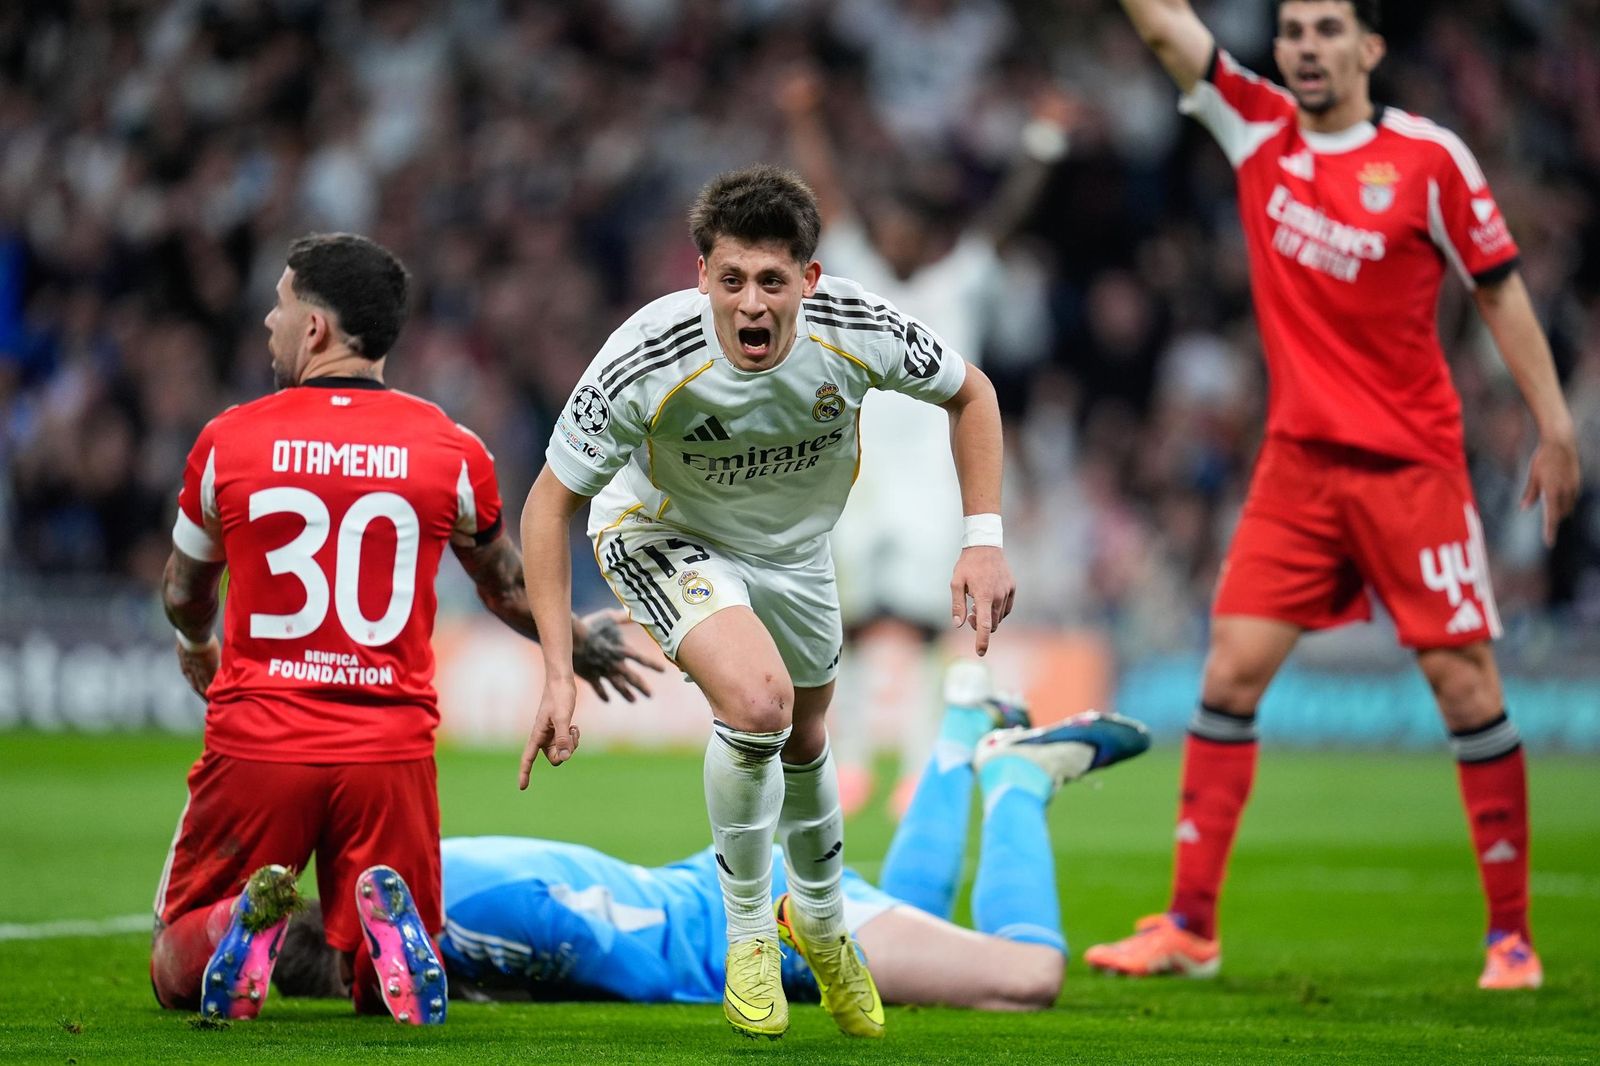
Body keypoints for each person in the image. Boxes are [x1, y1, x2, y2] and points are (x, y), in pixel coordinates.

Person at [1083, 0, 1580, 991]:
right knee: (1226, 675)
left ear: (1369, 48)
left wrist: (1554, 424)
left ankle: (1510, 938)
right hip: (1297, 470)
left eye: (1326, 30)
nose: (1305, 47)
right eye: (1293, 30)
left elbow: (1497, 285)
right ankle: (1189, 925)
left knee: (1467, 690)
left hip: (1411, 469)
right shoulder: (1253, 121)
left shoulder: (1429, 158)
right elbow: (1161, 27)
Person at [517, 165, 1016, 1039]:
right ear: (700, 274)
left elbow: (971, 393)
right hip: (661, 532)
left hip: (795, 551)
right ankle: (749, 930)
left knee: (810, 735)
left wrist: (983, 537)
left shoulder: (858, 325)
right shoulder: (647, 355)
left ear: (809, 282)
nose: (752, 303)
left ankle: (819, 922)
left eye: (773, 282)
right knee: (758, 704)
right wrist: (556, 669)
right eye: (732, 279)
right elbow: (548, 503)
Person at [153, 232, 656, 1024]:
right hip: (388, 751)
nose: (268, 323)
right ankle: (387, 945)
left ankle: (235, 922)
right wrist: (573, 642)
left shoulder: (229, 439)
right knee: (378, 975)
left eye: (281, 306)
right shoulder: (451, 449)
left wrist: (197, 645)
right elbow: (503, 586)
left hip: (261, 740)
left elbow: (184, 589)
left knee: (173, 963)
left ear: (315, 329)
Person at [271, 683, 1151, 1011]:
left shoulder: (469, 914)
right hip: (723, 902)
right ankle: (963, 739)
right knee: (918, 925)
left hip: (757, 929)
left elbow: (610, 939)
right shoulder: (431, 873)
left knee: (1024, 981)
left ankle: (1016, 786)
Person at [778, 68, 1075, 815]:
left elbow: (1011, 215)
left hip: (937, 487)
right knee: (836, 628)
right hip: (858, 482)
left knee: (927, 630)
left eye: (911, 231)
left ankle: (915, 766)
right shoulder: (859, 277)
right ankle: (842, 763)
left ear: (931, 237)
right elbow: (827, 193)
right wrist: (805, 117)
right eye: (891, 230)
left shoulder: (961, 280)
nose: (898, 241)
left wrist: (1044, 139)